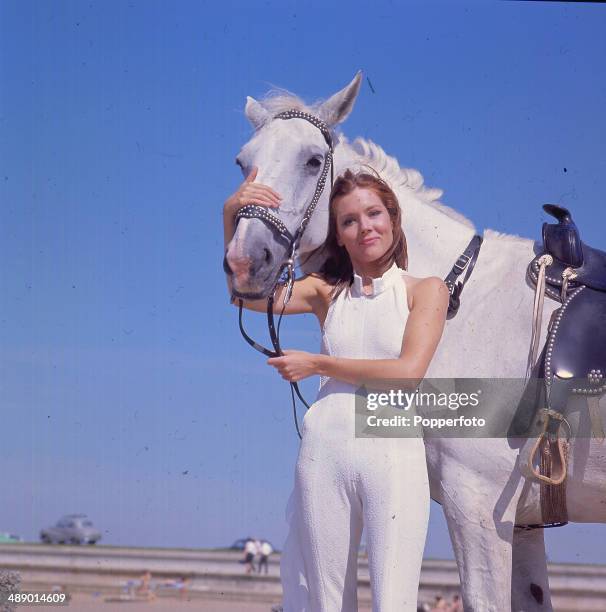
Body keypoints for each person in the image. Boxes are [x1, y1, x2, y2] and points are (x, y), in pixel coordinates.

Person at [224, 167, 449, 610]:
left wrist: (317, 363)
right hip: (323, 449)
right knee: (327, 603)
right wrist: (231, 214)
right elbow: (242, 293)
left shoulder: (426, 290)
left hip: (392, 448)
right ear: (339, 236)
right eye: (349, 221)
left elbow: (408, 373)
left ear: (393, 219)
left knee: (394, 602)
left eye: (374, 214)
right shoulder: (325, 293)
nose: (365, 226)